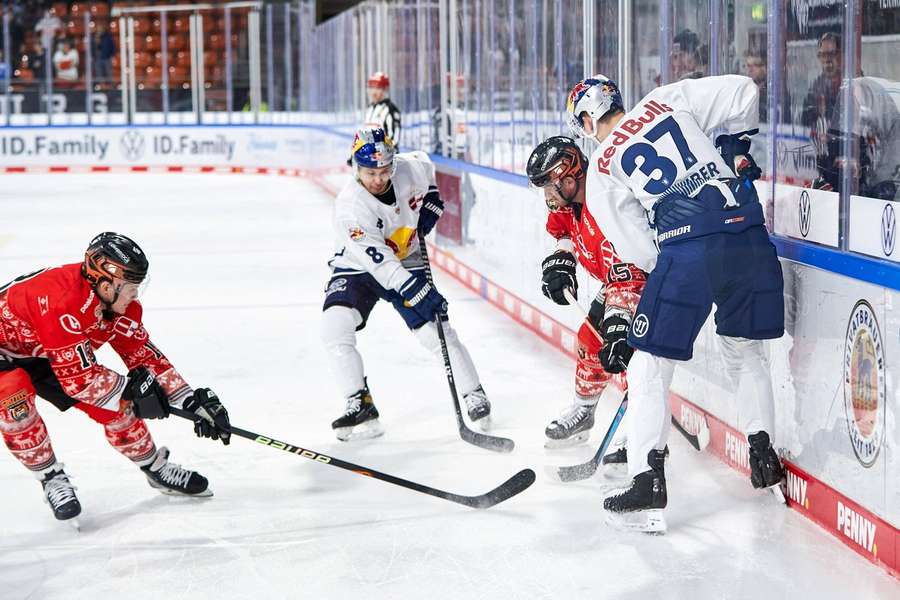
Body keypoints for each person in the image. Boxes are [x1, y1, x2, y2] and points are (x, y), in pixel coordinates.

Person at [565, 74, 785, 533]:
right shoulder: (666, 99)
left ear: (587, 119)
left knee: (648, 367)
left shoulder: (604, 162)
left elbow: (636, 247)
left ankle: (647, 477)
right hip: (748, 233)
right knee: (744, 351)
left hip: (690, 249)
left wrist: (676, 262)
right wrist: (733, 143)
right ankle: (764, 451)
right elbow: (746, 89)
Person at [0, 233, 231, 525]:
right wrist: (136, 390)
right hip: (5, 353)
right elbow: (80, 383)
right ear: (107, 284)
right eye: (132, 288)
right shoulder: (63, 304)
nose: (136, 295)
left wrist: (192, 402)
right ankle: (50, 476)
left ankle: (154, 469)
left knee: (120, 406)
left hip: (47, 350)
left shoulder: (116, 304)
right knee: (13, 396)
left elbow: (144, 357)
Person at [321, 127, 490, 441]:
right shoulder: (350, 208)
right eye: (370, 172)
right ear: (355, 167)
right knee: (334, 326)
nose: (378, 179)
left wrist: (433, 199)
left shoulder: (409, 168)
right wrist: (419, 291)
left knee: (435, 331)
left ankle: (473, 393)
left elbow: (426, 166)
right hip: (359, 265)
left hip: (407, 255)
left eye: (384, 170)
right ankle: (360, 402)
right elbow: (382, 265)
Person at [526, 136, 646, 452]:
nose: (547, 196)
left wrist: (620, 325)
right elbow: (563, 229)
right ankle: (584, 411)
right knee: (591, 339)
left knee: (638, 355)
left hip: (648, 280)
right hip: (618, 281)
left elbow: (630, 273)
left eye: (550, 186)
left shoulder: (606, 204)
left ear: (568, 176)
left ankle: (641, 433)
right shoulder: (571, 201)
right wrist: (561, 260)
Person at [363, 72, 401, 147]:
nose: (373, 92)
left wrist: (379, 153)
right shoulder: (370, 109)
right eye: (371, 88)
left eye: (378, 88)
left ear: (385, 90)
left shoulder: (390, 110)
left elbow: (394, 139)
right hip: (369, 157)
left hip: (385, 157)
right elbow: (365, 135)